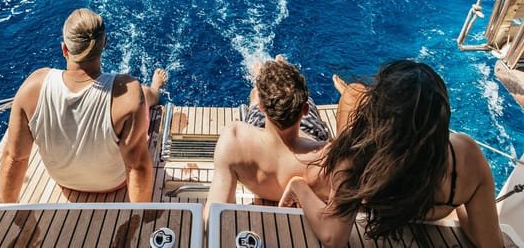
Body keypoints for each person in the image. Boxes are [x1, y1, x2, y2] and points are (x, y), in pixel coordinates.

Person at [279, 60, 503, 248]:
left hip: (377, 191)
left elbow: (333, 236)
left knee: (351, 95)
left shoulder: (358, 152)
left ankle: (355, 95)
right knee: (353, 95)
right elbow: (490, 243)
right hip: (429, 197)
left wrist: (298, 186)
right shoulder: (466, 155)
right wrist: (460, 204)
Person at [0, 8, 167, 203]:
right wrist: (139, 218)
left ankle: (152, 90)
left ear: (64, 49)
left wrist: (7, 213)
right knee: (143, 95)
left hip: (64, 181)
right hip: (114, 183)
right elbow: (137, 166)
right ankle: (155, 88)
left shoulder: (33, 87)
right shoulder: (128, 91)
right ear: (104, 43)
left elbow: (15, 158)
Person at [204, 56, 331, 223]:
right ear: (305, 110)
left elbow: (213, 215)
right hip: (308, 132)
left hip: (261, 129)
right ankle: (281, 71)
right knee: (303, 97)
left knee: (255, 96)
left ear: (262, 108)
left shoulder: (234, 140)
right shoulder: (327, 157)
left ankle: (260, 81)